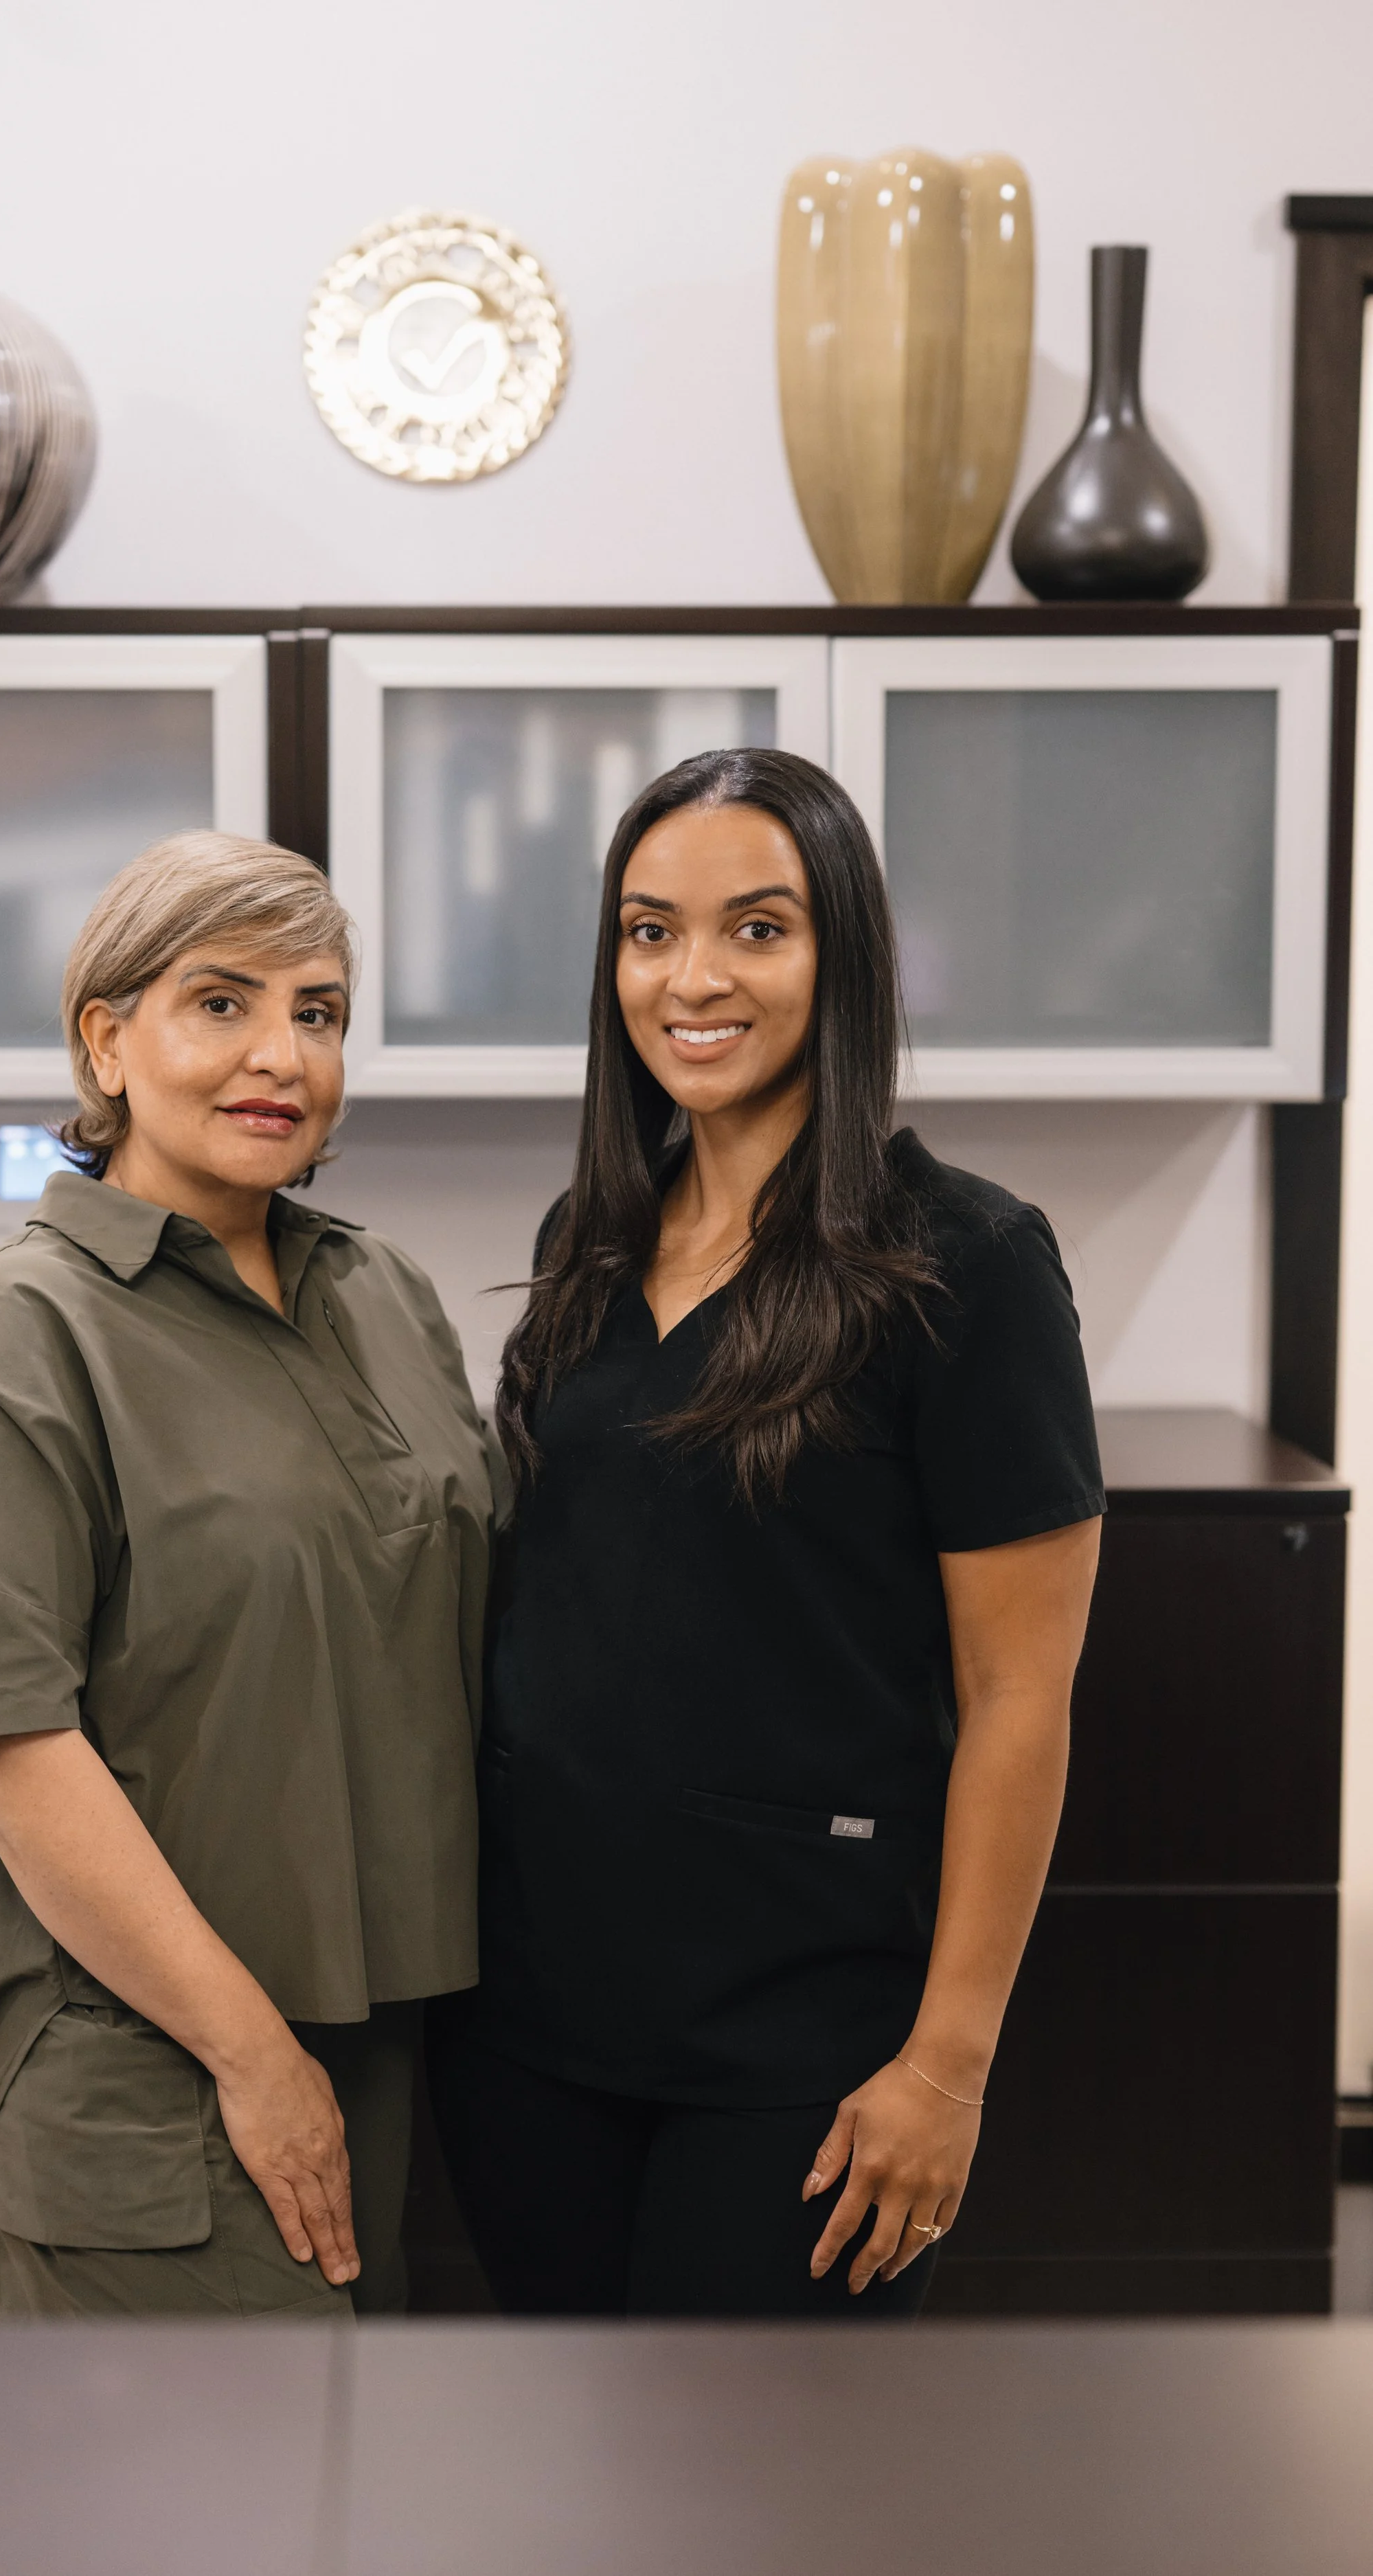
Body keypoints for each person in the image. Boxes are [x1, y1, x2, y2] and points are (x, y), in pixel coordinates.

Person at [427, 747, 1104, 2320]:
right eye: (648, 931)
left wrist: (945, 2068)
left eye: (755, 927)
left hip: (803, 2042)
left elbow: (1018, 1700)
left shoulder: (966, 1264)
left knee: (753, 2468)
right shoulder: (591, 1237)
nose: (692, 979)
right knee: (565, 2448)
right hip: (531, 2023)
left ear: (839, 953)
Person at [0, 831, 497, 2320]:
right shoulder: (19, 1331)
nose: (280, 1054)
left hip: (395, 2036)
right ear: (107, 1038)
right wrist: (251, 2055)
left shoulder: (383, 1293)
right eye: (221, 1002)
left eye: (317, 1012)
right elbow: (6, 1740)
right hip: (157, 2066)